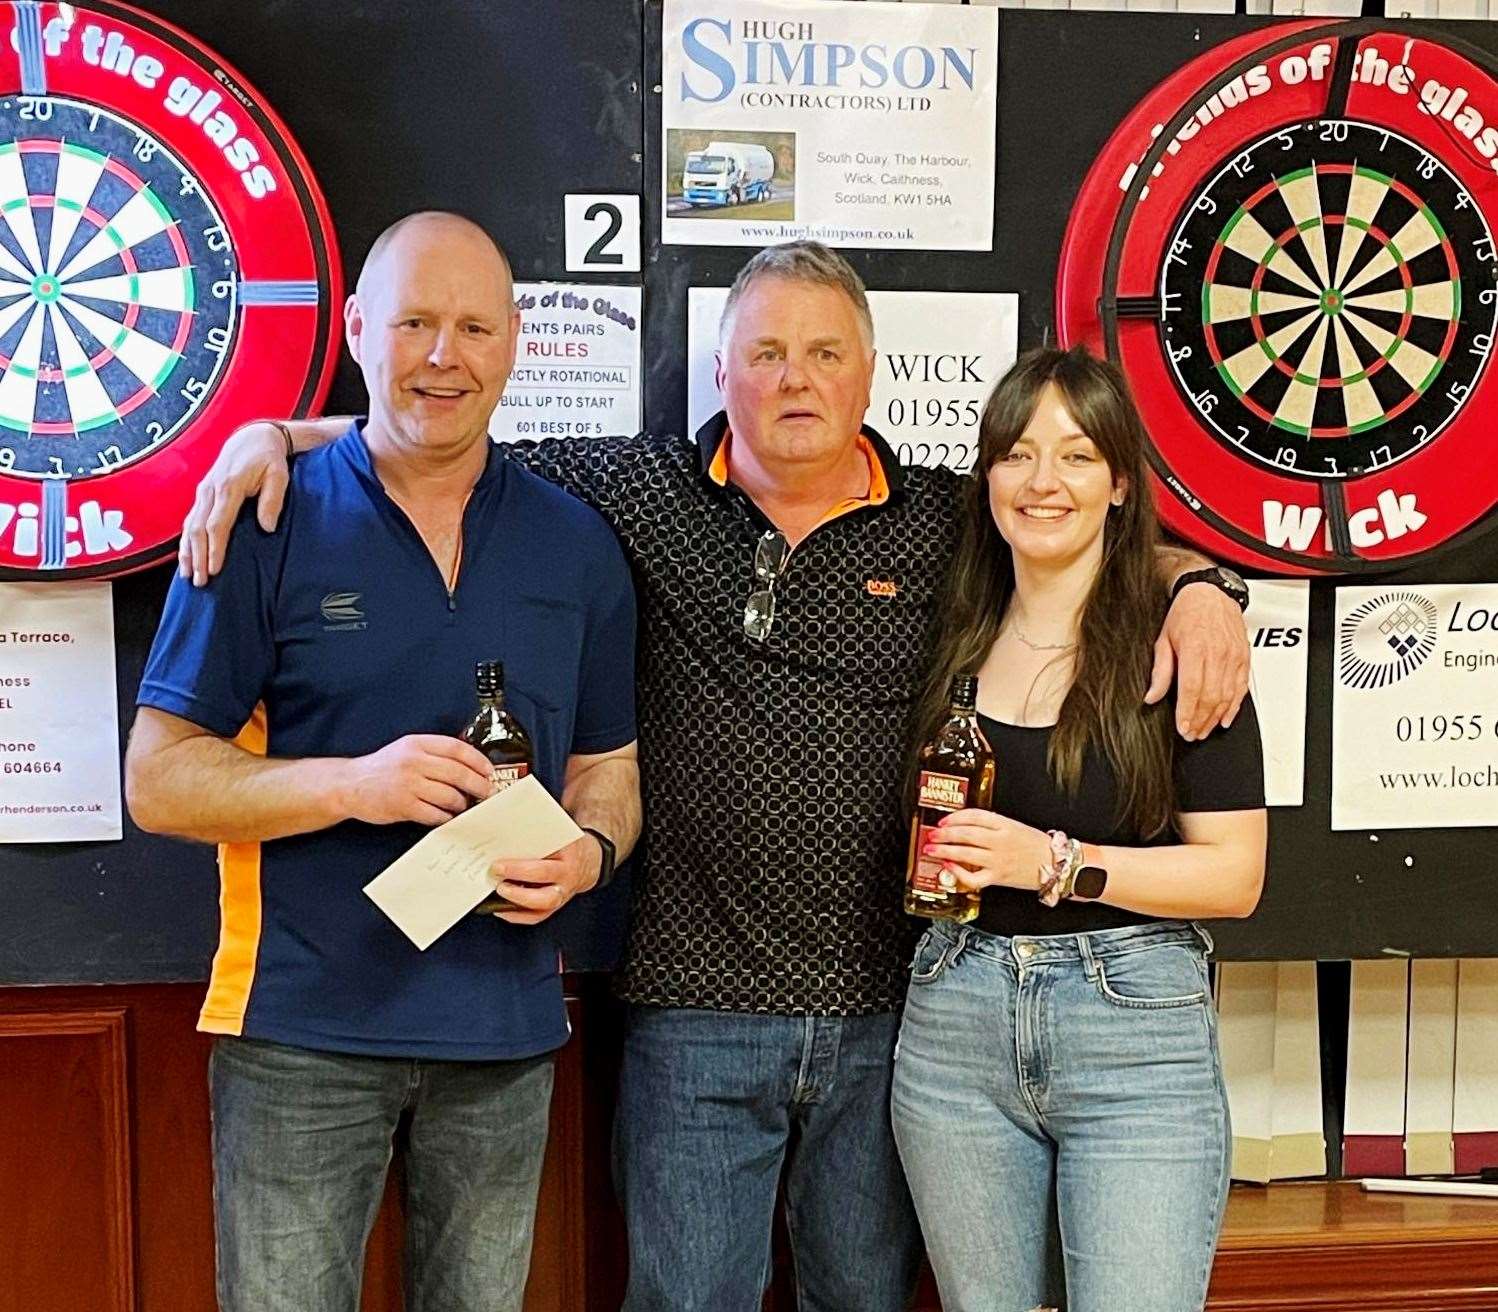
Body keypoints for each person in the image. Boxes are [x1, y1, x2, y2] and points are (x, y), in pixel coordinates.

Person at [175, 242, 1252, 1311]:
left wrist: (1200, 584)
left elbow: (1067, 521)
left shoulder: (945, 518)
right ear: (720, 370)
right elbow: (434, 437)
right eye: (767, 351)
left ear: (868, 373)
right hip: (691, 1010)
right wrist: (269, 435)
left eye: (825, 352)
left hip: (889, 1011)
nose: (796, 378)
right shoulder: (635, 491)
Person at [124, 212, 640, 1312]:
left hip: (502, 1039)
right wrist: (353, 783)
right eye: (413, 323)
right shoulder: (262, 514)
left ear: (514, 342)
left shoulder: (576, 541)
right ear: (360, 329)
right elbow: (159, 778)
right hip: (299, 1037)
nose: (442, 356)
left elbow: (610, 771)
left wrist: (591, 855)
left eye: (470, 327)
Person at [890, 345, 1266, 1312]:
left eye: (1074, 456)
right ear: (986, 480)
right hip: (953, 1026)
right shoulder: (947, 627)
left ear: (1119, 484)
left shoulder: (1178, 649)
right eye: (1016, 454)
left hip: (1133, 1029)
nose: (1041, 481)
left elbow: (1234, 877)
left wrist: (1054, 862)